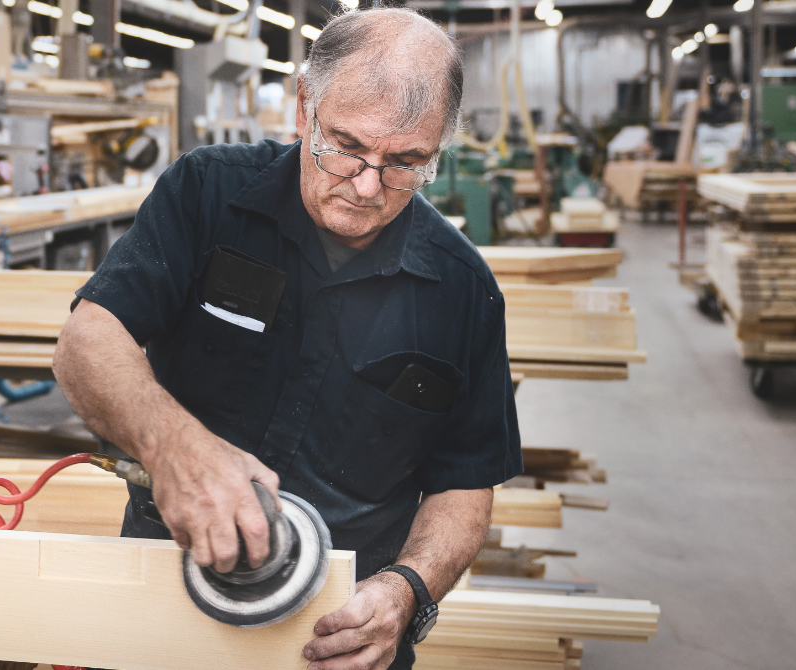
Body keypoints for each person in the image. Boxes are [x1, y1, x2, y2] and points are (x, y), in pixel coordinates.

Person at [52, 8, 522, 670]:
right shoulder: (206, 193)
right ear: (304, 108)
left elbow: (465, 485)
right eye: (346, 147)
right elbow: (88, 340)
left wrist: (406, 590)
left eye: (405, 162)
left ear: (437, 151)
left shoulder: (462, 290)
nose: (366, 186)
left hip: (337, 632)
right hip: (164, 586)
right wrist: (172, 445)